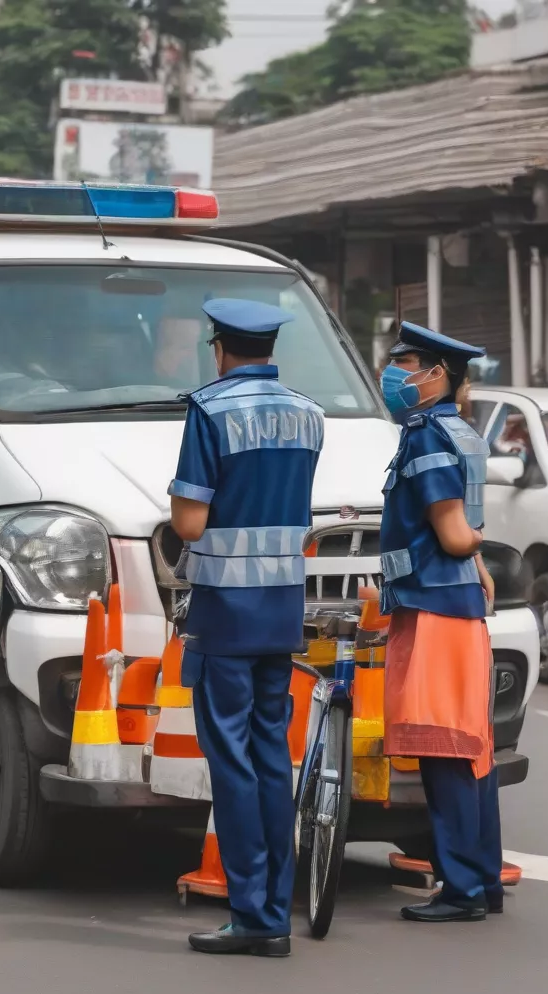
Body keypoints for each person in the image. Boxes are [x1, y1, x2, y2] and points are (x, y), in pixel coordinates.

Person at [167, 297, 325, 957]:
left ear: (219, 346)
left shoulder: (208, 410)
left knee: (231, 761)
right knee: (270, 758)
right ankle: (274, 914)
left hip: (226, 610)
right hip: (283, 607)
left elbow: (189, 523)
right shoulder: (309, 415)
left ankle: (253, 913)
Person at [378, 321, 502, 923]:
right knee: (473, 746)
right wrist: (478, 557)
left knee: (445, 746)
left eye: (405, 365)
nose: (394, 376)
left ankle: (461, 890)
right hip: (456, 604)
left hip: (435, 604)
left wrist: (473, 546)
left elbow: (453, 533)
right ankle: (482, 879)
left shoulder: (426, 437)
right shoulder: (462, 432)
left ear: (436, 375)